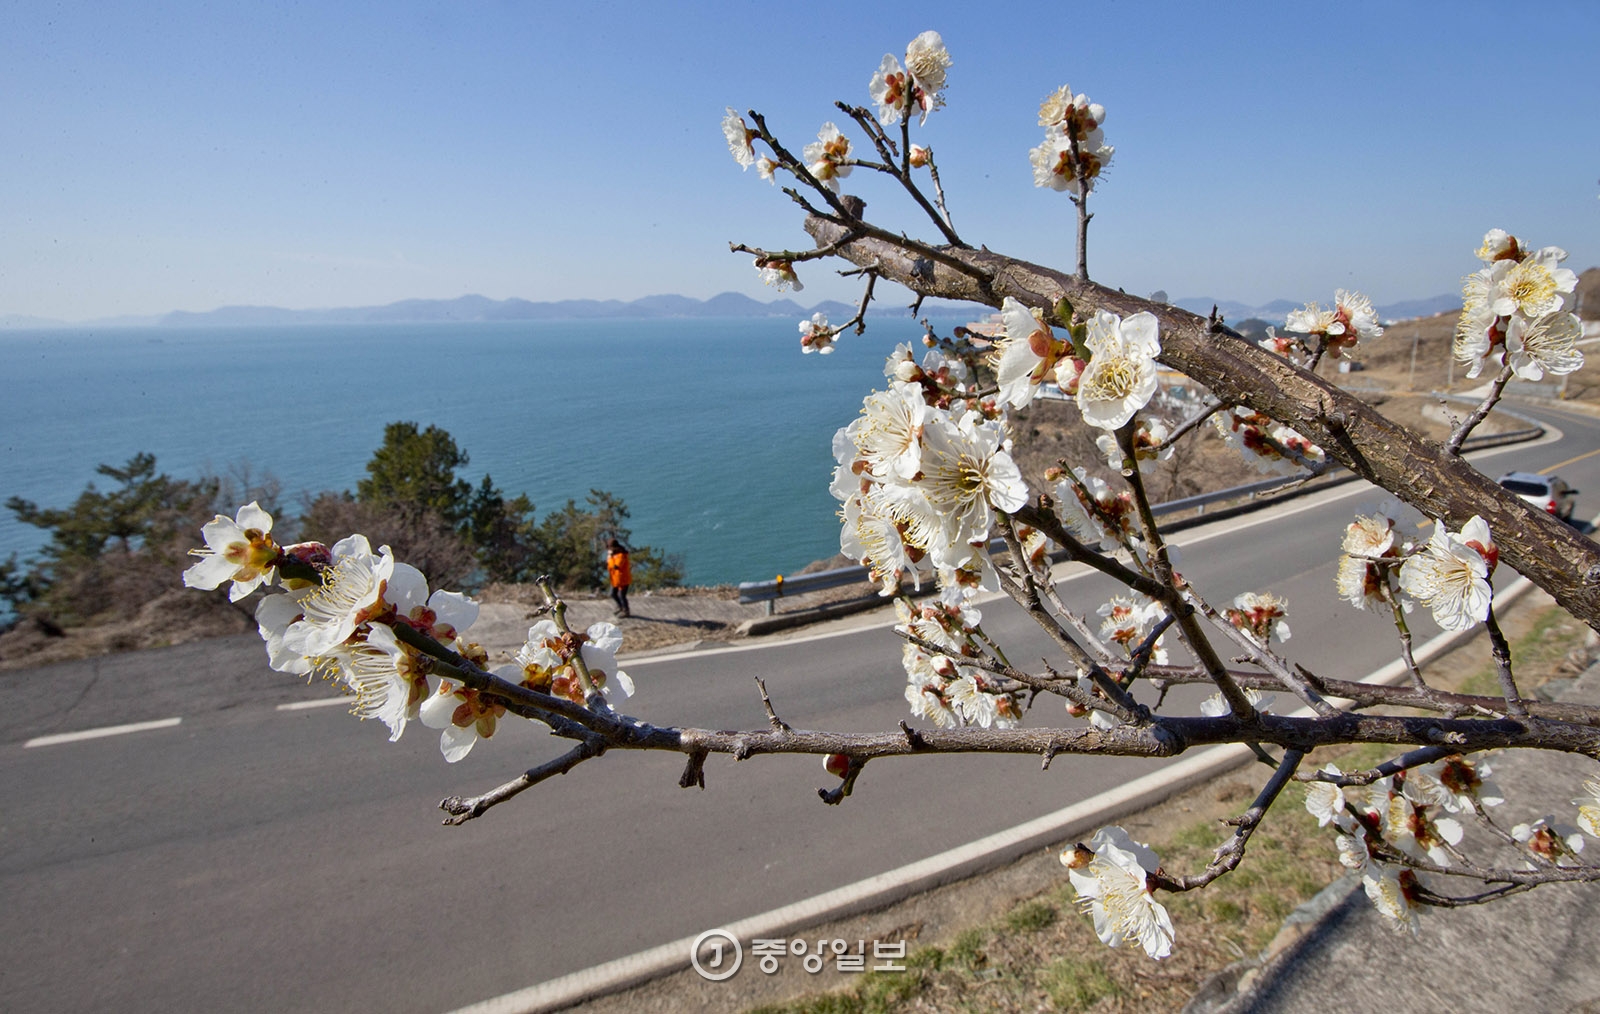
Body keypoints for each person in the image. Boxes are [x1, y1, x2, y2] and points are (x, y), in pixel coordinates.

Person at [606, 538, 631, 618]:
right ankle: (620, 606)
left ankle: (626, 610)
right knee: (613, 594)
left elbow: (615, 566)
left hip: (622, 580)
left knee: (621, 595)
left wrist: (610, 558)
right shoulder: (615, 555)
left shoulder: (621, 555)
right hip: (615, 580)